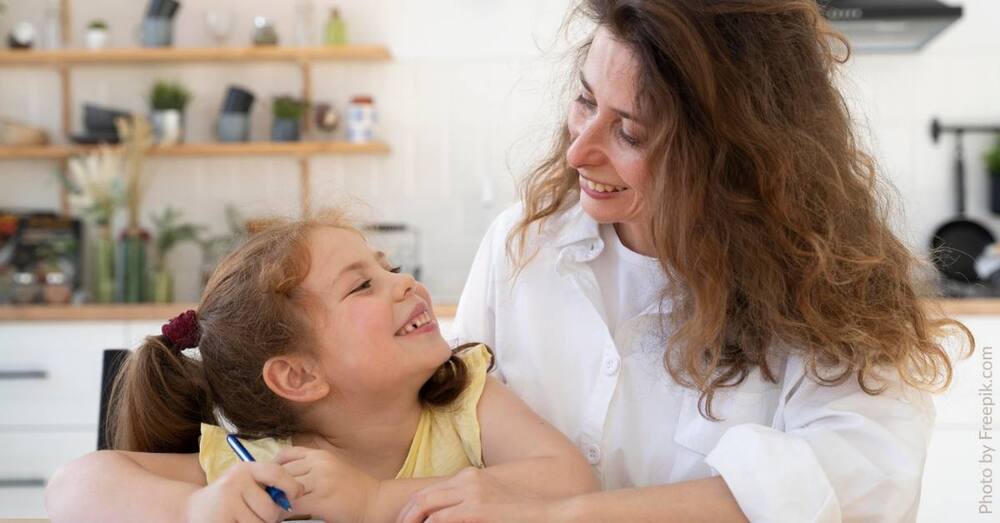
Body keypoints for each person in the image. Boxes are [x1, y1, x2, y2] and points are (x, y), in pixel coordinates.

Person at [396, 1, 973, 522]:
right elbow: (449, 422)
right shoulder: (522, 245)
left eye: (630, 133)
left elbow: (855, 483)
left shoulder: (830, 289)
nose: (578, 151)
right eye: (585, 101)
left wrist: (559, 515)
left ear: (736, 155)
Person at [45, 211, 598, 523]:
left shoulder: (465, 402)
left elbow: (570, 481)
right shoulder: (267, 465)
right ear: (299, 375)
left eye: (392, 268)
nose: (404, 283)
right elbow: (73, 488)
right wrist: (195, 507)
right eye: (363, 285)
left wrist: (377, 501)